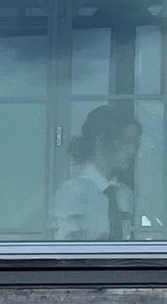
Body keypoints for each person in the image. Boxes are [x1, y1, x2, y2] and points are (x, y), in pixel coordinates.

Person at [48, 99, 142, 241]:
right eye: (124, 141)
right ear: (101, 141)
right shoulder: (72, 193)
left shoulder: (125, 195)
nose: (132, 150)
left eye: (135, 143)